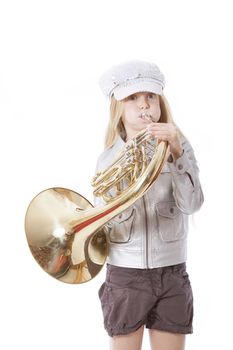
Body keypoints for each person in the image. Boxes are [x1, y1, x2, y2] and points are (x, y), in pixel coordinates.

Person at [94, 60, 204, 350]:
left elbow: (193, 204)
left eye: (150, 96)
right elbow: (105, 225)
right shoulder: (107, 161)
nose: (144, 105)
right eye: (133, 98)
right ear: (118, 106)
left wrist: (177, 154)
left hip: (172, 270)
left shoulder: (179, 146)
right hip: (125, 275)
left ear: (160, 102)